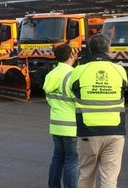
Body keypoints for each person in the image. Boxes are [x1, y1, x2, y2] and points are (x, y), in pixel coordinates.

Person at [68, 33, 127, 188]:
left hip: (88, 132)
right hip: (115, 132)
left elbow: (70, 92)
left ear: (90, 50)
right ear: (108, 49)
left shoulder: (78, 71)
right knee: (110, 179)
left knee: (86, 176)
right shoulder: (120, 70)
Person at [43, 43, 78, 188]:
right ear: (71, 55)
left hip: (56, 124)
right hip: (71, 125)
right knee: (71, 160)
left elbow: (50, 100)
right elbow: (77, 100)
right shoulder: (72, 74)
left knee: (57, 158)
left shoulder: (51, 74)